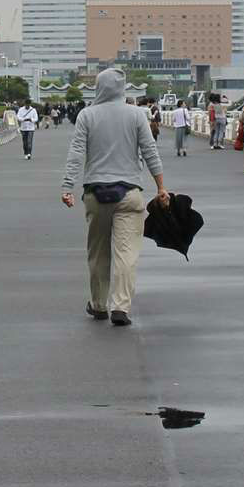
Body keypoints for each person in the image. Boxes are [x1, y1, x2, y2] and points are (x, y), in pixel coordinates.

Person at [60, 67, 169, 327]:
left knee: (98, 253)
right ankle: (120, 306)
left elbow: (76, 153)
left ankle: (99, 304)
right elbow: (150, 151)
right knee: (126, 253)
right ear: (122, 88)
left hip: (95, 194)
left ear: (98, 87)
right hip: (129, 193)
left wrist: (67, 186)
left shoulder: (87, 115)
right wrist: (161, 187)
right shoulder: (136, 114)